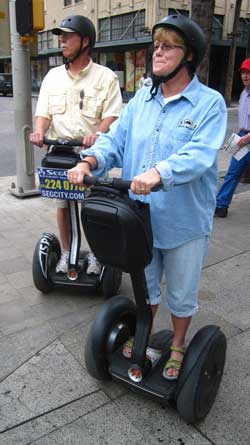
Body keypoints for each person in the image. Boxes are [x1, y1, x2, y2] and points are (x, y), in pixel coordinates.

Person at [67, 14, 227, 380]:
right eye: (156, 45)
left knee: (182, 293)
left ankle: (180, 342)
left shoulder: (209, 104)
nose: (157, 52)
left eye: (168, 46)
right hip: (140, 217)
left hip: (184, 220)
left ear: (189, 56)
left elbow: (201, 155)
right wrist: (90, 160)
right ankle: (146, 333)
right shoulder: (142, 99)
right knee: (147, 285)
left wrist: (160, 172)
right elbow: (116, 139)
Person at [30, 15, 123, 274]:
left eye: (68, 36)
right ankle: (68, 252)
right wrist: (39, 132)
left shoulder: (105, 77)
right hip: (59, 153)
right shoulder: (52, 76)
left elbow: (113, 114)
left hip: (91, 155)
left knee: (91, 208)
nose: (62, 40)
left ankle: (95, 255)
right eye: (62, 36)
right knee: (63, 206)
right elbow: (44, 113)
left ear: (85, 41)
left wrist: (99, 133)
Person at [215, 58, 250, 217]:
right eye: (243, 72)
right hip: (243, 138)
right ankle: (221, 206)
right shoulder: (244, 93)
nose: (245, 76)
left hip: (248, 138)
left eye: (248, 73)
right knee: (233, 173)